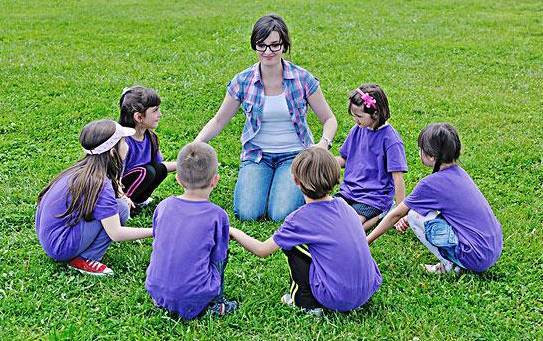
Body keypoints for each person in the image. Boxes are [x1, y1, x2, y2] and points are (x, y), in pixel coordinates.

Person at [195, 14, 338, 221]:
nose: (268, 52)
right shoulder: (243, 81)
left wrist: (323, 144)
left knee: (280, 214)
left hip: (295, 156)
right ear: (254, 45)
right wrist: (197, 143)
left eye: (274, 45)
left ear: (284, 45)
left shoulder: (302, 78)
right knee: (247, 213)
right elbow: (218, 120)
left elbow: (329, 119)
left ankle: (284, 185)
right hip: (257, 155)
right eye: (261, 45)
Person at [229, 147, 382, 315]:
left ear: (296, 181)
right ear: (336, 177)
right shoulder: (344, 205)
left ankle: (305, 301)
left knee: (291, 245)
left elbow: (262, 250)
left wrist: (235, 232)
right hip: (368, 289)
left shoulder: (298, 220)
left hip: (337, 298)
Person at [367, 123, 503, 274]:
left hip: (475, 257)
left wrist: (366, 242)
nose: (419, 152)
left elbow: (396, 214)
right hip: (492, 250)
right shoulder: (460, 173)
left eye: (421, 149)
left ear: (432, 156)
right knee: (415, 213)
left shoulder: (430, 184)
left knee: (413, 215)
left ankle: (449, 266)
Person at [35, 119, 153, 276]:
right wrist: (156, 231)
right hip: (61, 246)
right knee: (121, 209)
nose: (127, 145)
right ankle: (85, 259)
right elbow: (116, 233)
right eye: (123, 141)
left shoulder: (84, 169)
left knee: (120, 206)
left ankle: (78, 250)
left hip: (50, 238)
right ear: (112, 152)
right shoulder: (100, 183)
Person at [145, 142, 237, 320]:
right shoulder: (218, 215)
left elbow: (157, 237)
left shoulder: (163, 206)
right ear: (215, 180)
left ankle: (165, 299)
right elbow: (218, 256)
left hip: (155, 289)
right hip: (194, 296)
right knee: (222, 255)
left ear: (178, 179)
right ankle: (216, 304)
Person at [335, 84, 407, 230]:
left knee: (351, 224)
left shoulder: (391, 140)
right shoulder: (357, 130)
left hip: (373, 198)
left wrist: (401, 213)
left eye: (359, 116)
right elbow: (344, 159)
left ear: (375, 113)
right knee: (329, 215)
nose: (355, 120)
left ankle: (382, 213)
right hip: (349, 191)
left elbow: (398, 178)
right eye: (353, 116)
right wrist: (324, 163)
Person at [118, 86, 176, 212]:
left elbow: (160, 166)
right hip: (117, 190)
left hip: (137, 180)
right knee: (147, 171)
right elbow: (112, 179)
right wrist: (122, 197)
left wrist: (185, 164)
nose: (160, 114)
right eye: (155, 110)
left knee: (159, 169)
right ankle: (127, 206)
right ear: (139, 117)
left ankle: (139, 200)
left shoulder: (151, 137)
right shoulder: (123, 143)